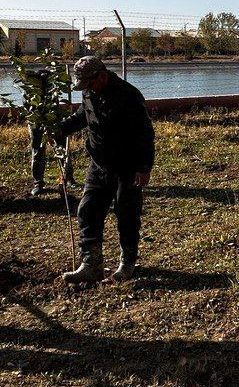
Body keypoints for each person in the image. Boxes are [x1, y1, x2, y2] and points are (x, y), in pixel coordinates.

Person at [53, 56, 155, 285]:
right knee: (87, 210)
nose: (86, 89)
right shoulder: (90, 92)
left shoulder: (129, 96)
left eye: (88, 84)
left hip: (127, 167)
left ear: (101, 76)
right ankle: (91, 265)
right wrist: (62, 129)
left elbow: (145, 134)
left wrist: (144, 167)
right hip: (99, 165)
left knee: (127, 215)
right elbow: (83, 116)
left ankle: (127, 262)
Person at [28, 67, 74, 196]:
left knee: (63, 149)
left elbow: (56, 108)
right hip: (37, 124)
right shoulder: (30, 93)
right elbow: (30, 112)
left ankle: (67, 177)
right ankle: (38, 183)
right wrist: (42, 123)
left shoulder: (53, 91)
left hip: (55, 122)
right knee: (38, 151)